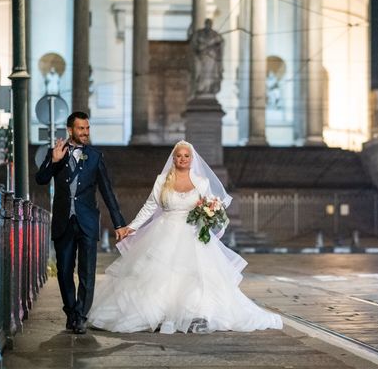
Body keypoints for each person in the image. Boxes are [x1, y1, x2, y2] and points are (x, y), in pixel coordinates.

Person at [87, 140, 283, 334]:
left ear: (192, 159)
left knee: (195, 276)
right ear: (174, 158)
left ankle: (195, 314)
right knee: (157, 275)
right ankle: (160, 313)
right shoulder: (162, 180)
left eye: (186, 156)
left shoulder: (202, 182)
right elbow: (149, 207)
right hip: (164, 233)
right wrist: (131, 227)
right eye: (179, 156)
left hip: (192, 234)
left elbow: (211, 207)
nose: (182, 159)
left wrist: (213, 219)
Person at [35, 111, 127, 334]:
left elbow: (107, 192)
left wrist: (119, 223)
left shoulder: (95, 156)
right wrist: (54, 162)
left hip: (87, 222)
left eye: (87, 129)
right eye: (81, 129)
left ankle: (81, 316)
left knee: (87, 272)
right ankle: (71, 311)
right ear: (70, 130)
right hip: (63, 222)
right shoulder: (56, 153)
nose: (85, 133)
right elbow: (41, 179)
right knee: (65, 271)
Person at [190, 18, 224, 96]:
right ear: (205, 24)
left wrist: (214, 46)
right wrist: (199, 48)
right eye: (207, 24)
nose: (208, 25)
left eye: (210, 24)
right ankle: (201, 88)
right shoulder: (199, 33)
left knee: (210, 73)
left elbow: (220, 44)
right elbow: (193, 43)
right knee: (200, 72)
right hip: (201, 57)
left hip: (211, 58)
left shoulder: (215, 35)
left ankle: (208, 88)